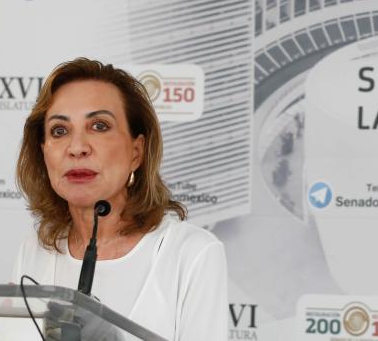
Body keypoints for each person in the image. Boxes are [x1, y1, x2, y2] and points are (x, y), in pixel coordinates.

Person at [14, 58, 227, 341]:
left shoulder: (192, 253)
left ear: (136, 152)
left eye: (99, 126)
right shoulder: (35, 249)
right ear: (43, 152)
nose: (77, 148)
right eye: (60, 130)